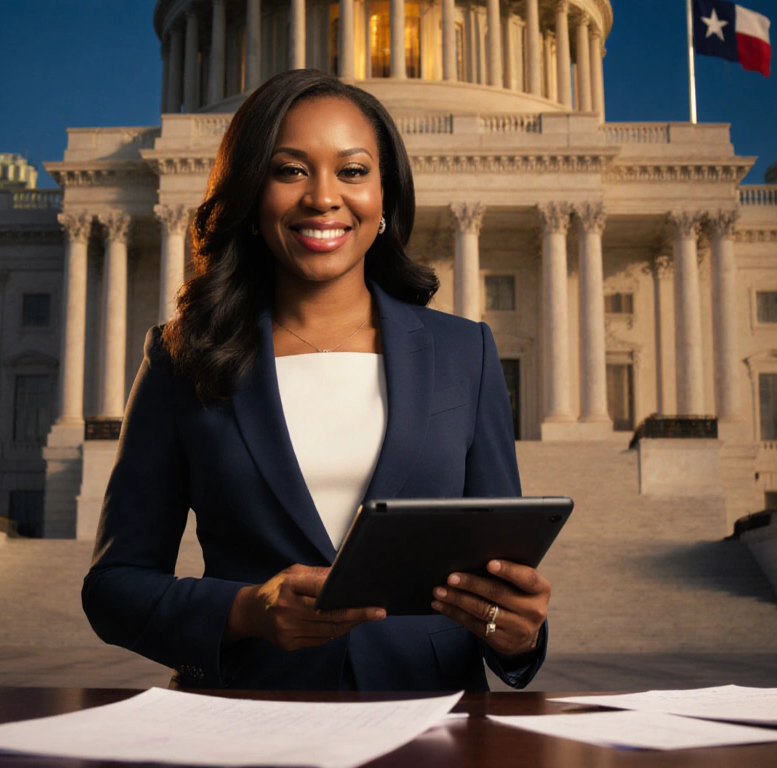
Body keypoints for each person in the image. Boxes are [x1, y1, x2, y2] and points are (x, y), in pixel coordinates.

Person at [82, 69, 552, 691]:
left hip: (431, 722)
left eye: (352, 171)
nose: (323, 197)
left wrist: (519, 635)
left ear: (384, 198)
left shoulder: (466, 351)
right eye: (290, 170)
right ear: (252, 194)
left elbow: (498, 575)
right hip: (245, 719)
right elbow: (114, 587)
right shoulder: (182, 358)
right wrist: (246, 610)